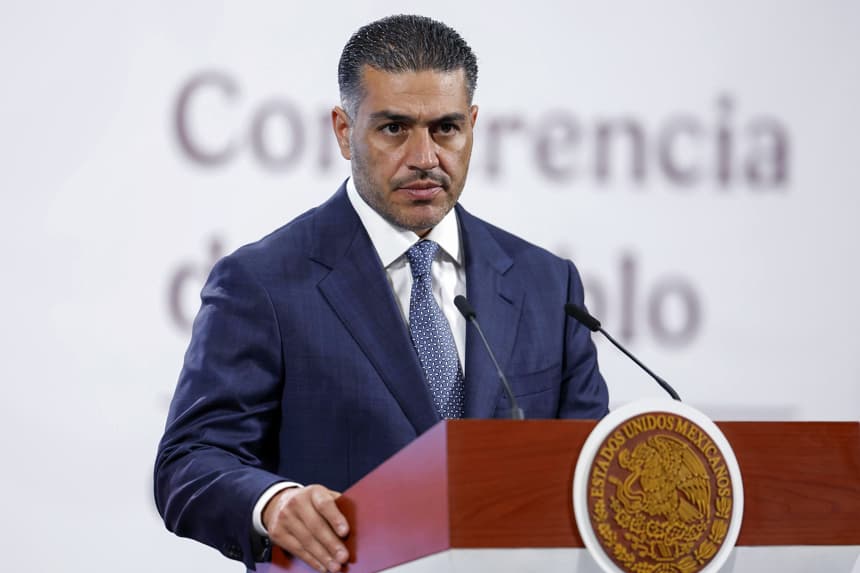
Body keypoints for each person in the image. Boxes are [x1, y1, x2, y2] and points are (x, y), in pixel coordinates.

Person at [154, 14, 609, 573]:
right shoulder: (263, 282)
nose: (424, 157)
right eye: (394, 128)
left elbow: (592, 469)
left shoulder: (546, 284)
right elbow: (190, 462)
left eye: (445, 128)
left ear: (472, 125)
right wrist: (272, 504)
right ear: (344, 131)